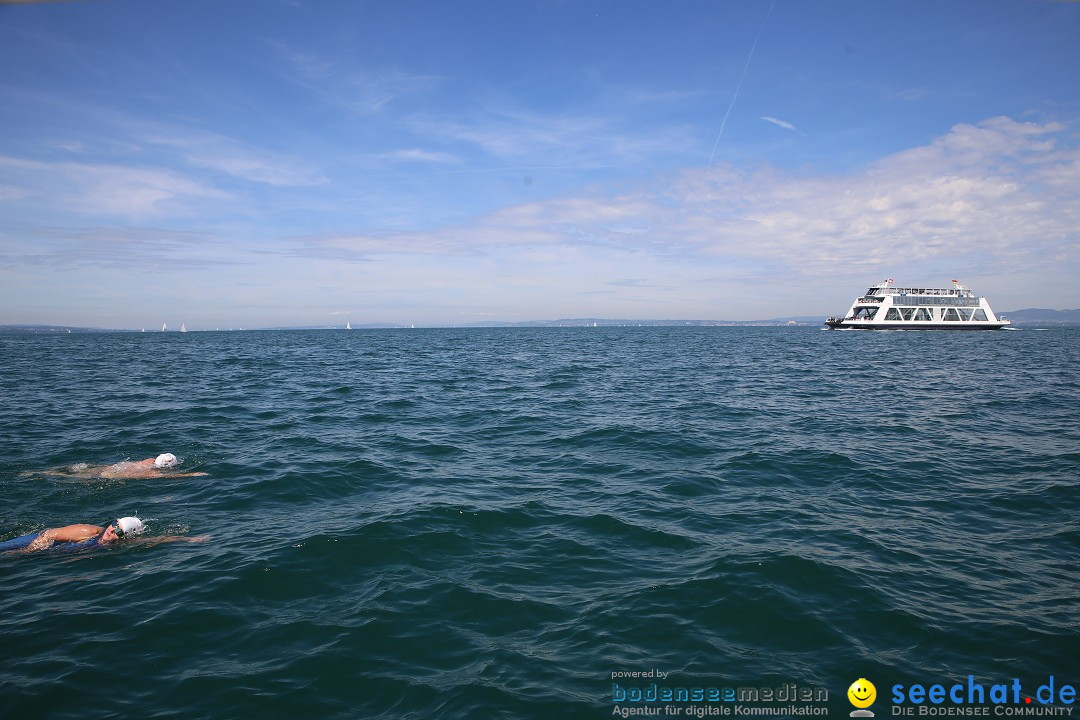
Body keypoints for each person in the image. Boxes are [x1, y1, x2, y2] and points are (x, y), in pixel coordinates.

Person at [0, 516, 208, 554]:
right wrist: (30, 549)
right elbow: (50, 534)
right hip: (39, 542)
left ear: (126, 536)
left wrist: (189, 539)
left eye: (118, 531)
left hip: (54, 553)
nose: (111, 531)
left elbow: (157, 539)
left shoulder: (119, 543)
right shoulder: (89, 532)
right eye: (113, 524)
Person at [29, 453, 208, 480]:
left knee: (67, 472)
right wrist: (191, 474)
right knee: (67, 477)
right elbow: (170, 476)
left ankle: (35, 472)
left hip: (111, 467)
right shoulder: (151, 473)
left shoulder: (148, 461)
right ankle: (38, 474)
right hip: (110, 476)